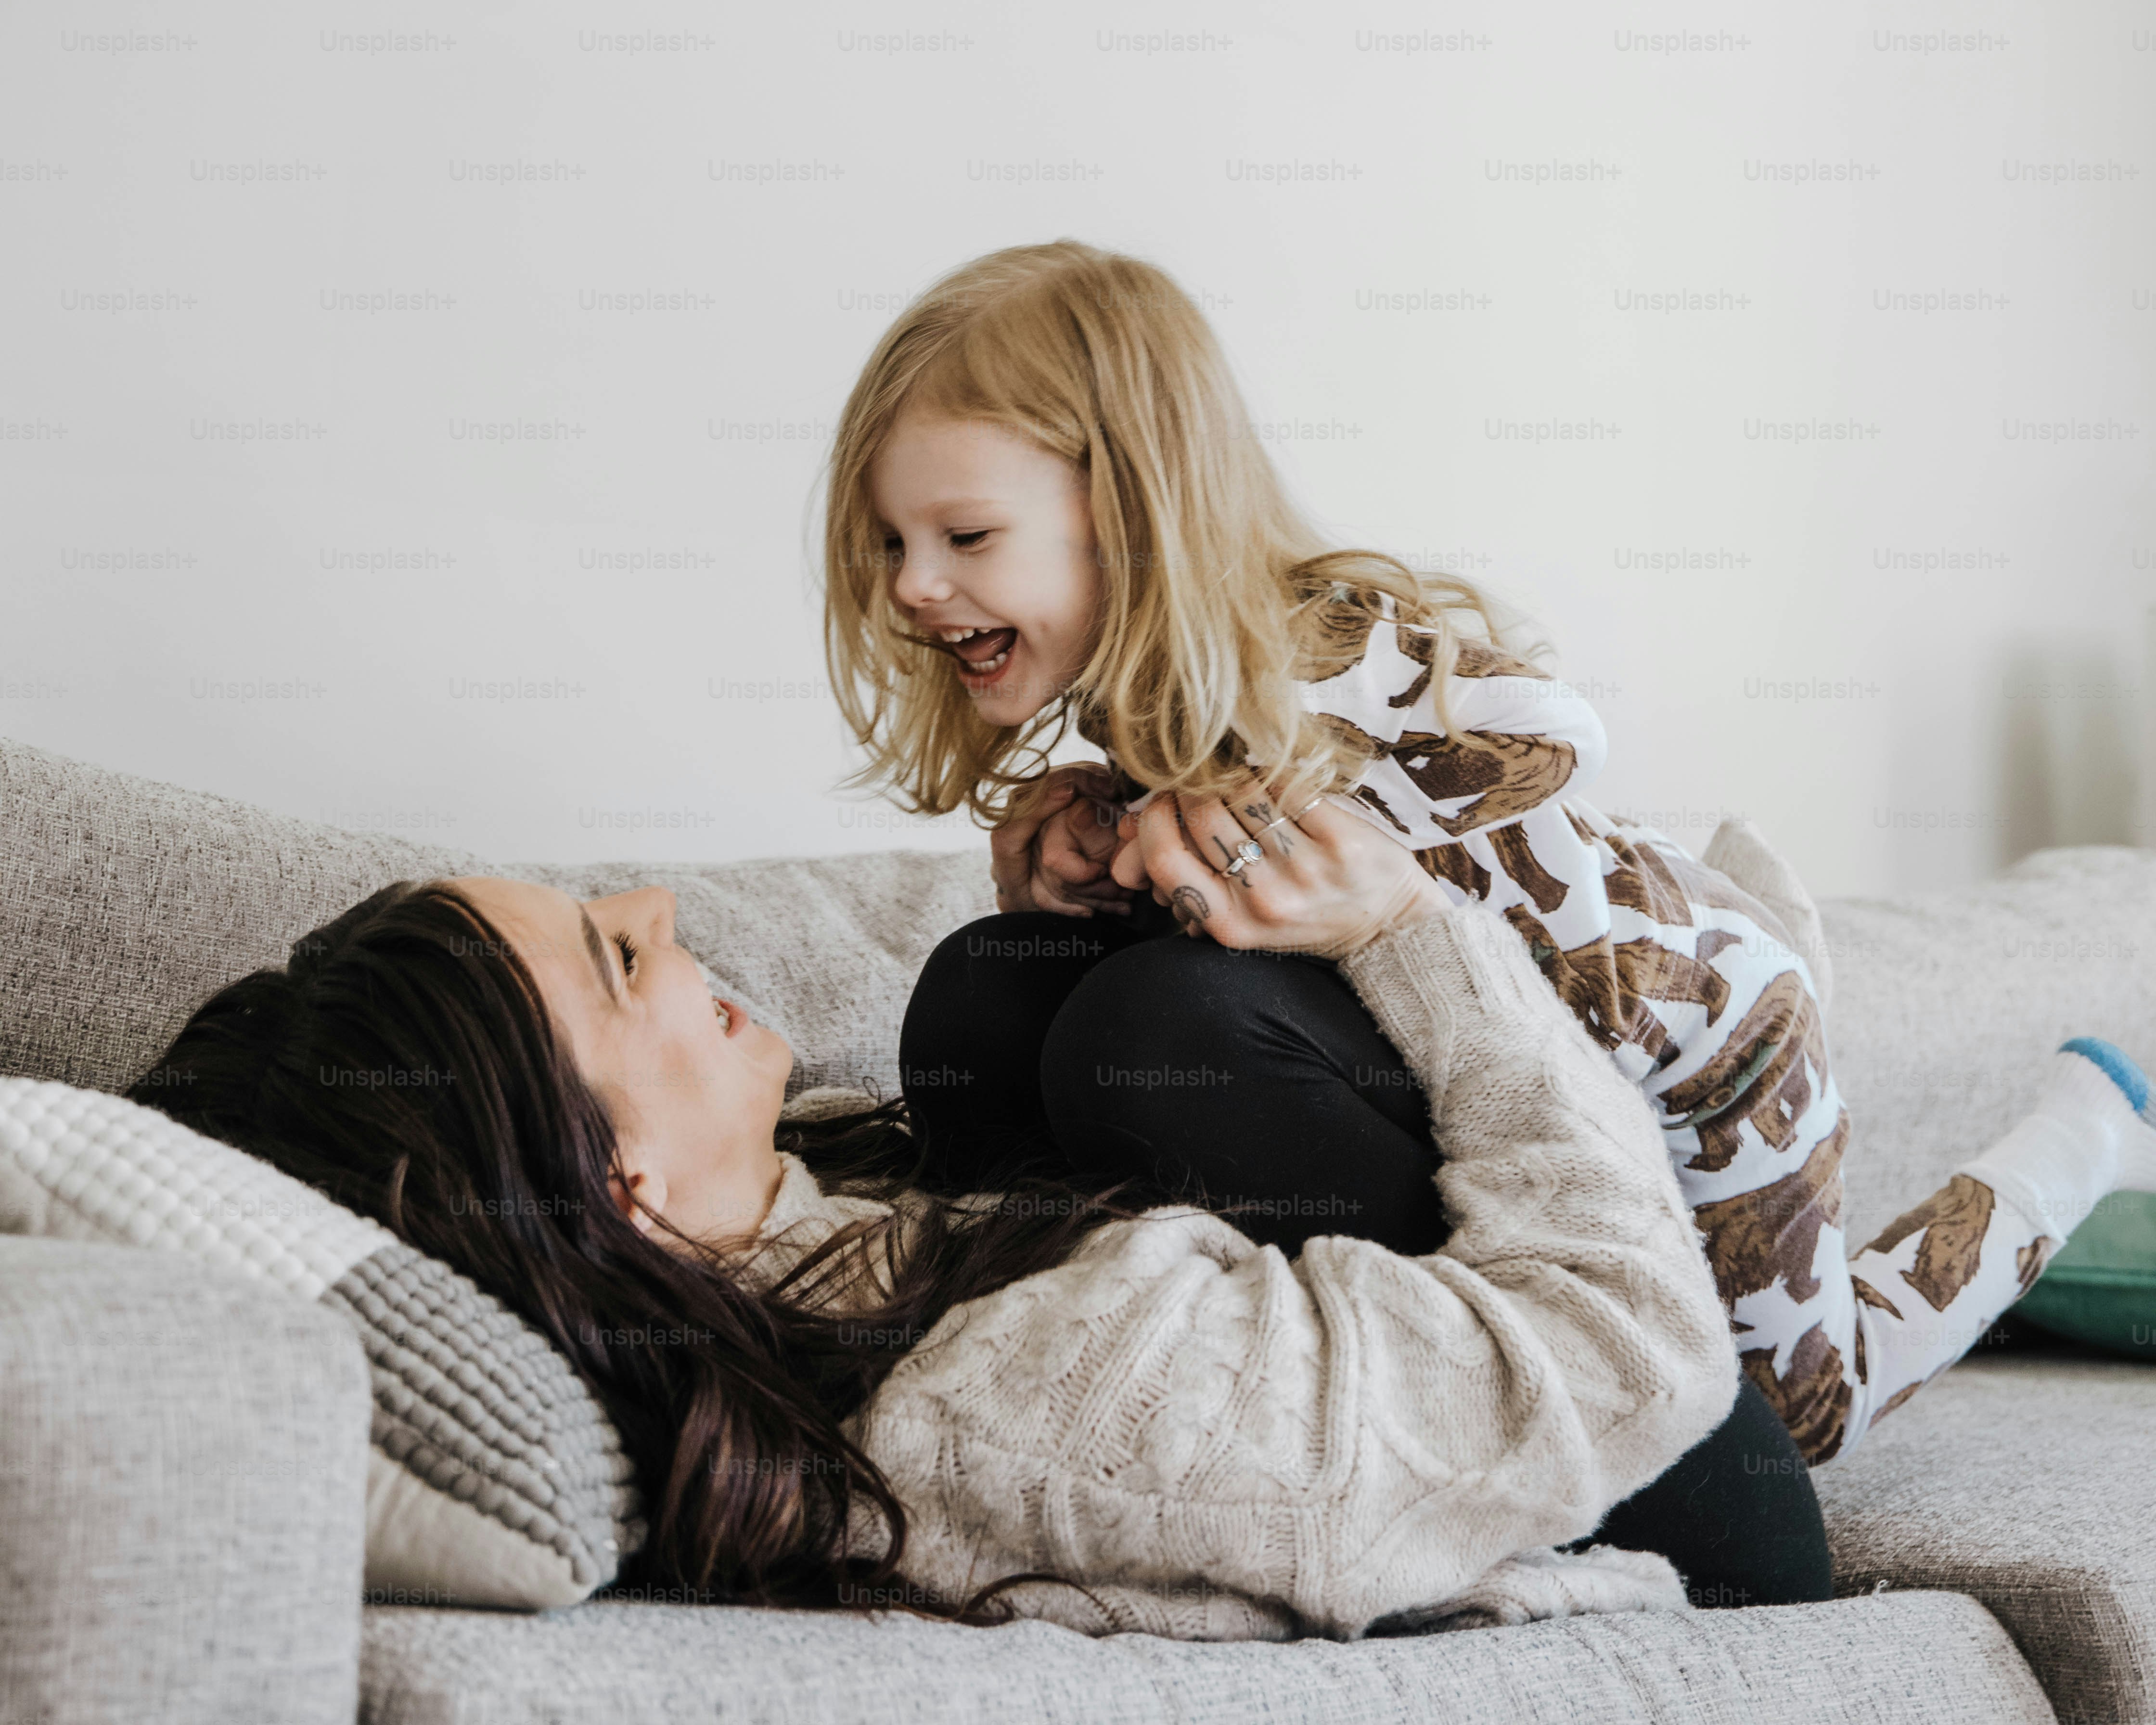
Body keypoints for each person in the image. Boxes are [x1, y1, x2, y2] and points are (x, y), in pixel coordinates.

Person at [822, 238, 2156, 1463]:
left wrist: (1320, 812)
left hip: (1711, 1058)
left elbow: (1550, 730)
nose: (910, 588)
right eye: (891, 543)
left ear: (1129, 504)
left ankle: (2074, 1145)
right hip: (1529, 1084)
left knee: (1803, 1420)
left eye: (965, 538)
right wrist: (1095, 850)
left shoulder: (1319, 641)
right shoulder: (1137, 710)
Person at [130, 794, 1795, 1637]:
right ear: (614, 1181)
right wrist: (1411, 923)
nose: (656, 905)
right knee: (1160, 1033)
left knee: (1001, 992)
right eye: (614, 956)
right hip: (1681, 1474)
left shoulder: (797, 1251)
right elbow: (1626, 1346)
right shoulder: (1037, 1393)